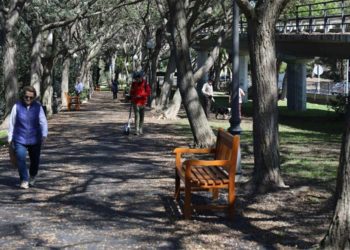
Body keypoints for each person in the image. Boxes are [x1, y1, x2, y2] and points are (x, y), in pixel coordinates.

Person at [7, 86, 48, 189]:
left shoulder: (38, 107)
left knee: (35, 160)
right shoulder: (16, 106)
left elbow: (43, 122)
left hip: (35, 139)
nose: (28, 99)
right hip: (19, 138)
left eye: (31, 97)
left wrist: (44, 135)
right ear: (23, 96)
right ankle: (24, 179)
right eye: (26, 97)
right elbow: (12, 123)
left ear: (34, 97)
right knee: (20, 158)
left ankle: (33, 176)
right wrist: (9, 138)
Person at [129, 71, 151, 135]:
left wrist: (141, 95)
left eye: (137, 79)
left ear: (140, 77)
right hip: (135, 102)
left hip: (143, 102)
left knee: (142, 116)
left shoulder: (145, 84)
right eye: (135, 79)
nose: (136, 80)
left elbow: (148, 92)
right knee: (137, 116)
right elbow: (131, 91)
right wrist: (131, 96)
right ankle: (136, 130)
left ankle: (141, 129)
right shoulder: (134, 84)